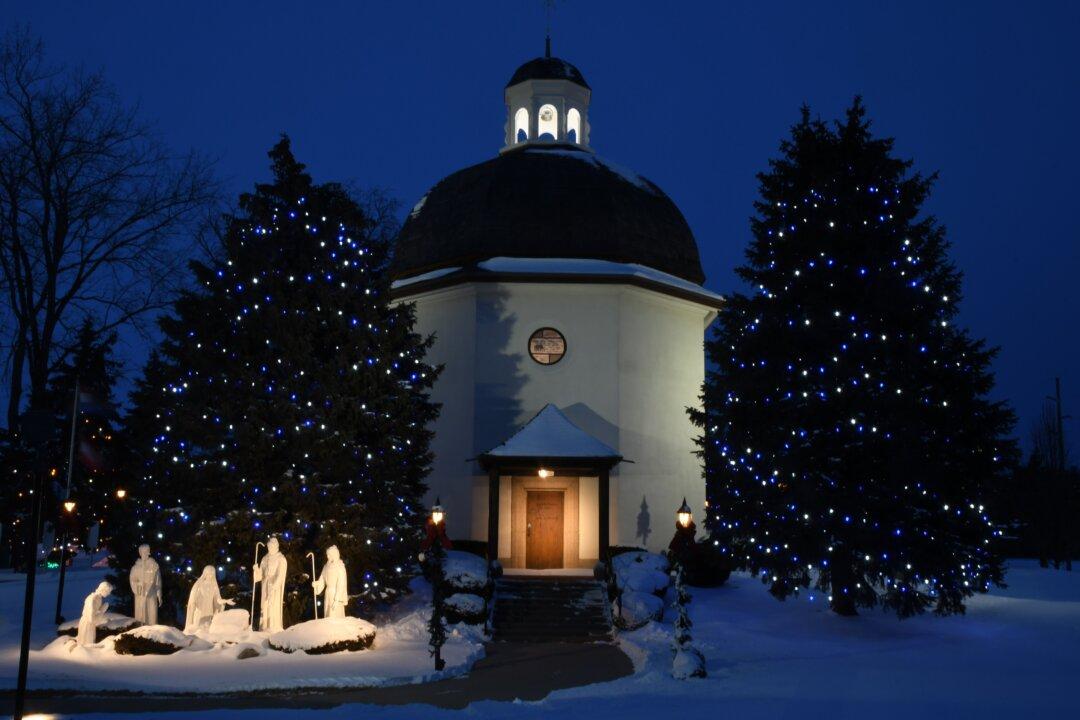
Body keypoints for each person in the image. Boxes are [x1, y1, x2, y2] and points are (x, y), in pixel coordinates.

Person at [184, 565, 235, 633]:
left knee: (206, 629)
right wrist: (194, 603)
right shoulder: (199, 585)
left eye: (212, 574)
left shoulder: (214, 586)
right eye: (209, 574)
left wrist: (225, 601)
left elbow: (217, 599)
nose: (210, 576)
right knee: (197, 629)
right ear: (205, 574)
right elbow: (193, 597)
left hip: (209, 610)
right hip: (199, 610)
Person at [252, 536, 287, 632]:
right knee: (264, 605)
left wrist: (274, 585)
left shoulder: (281, 559)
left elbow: (281, 574)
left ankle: (273, 626)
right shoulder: (265, 558)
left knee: (272, 605)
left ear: (276, 547)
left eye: (272, 547)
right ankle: (264, 626)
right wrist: (256, 570)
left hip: (274, 586)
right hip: (265, 584)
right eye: (269, 547)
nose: (270, 549)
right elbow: (260, 576)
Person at [312, 545, 349, 618]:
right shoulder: (326, 566)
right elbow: (322, 579)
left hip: (336, 594)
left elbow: (341, 584)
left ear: (334, 554)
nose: (328, 556)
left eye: (329, 555)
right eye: (327, 555)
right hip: (328, 593)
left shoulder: (340, 566)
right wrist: (317, 584)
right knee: (327, 614)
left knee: (335, 615)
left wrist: (337, 600)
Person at [129, 543, 162, 625]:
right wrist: (138, 585)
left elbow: (158, 582)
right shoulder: (136, 567)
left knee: (152, 615)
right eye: (142, 552)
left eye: (146, 551)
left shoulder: (154, 566)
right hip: (140, 595)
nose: (144, 553)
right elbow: (132, 580)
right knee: (141, 615)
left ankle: (152, 633)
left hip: (152, 594)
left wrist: (159, 595)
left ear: (149, 552)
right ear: (140, 553)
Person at [76, 581, 112, 646]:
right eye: (108, 591)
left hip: (90, 625)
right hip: (87, 625)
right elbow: (92, 619)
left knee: (90, 644)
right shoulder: (93, 599)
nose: (109, 593)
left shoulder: (99, 598)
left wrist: (101, 611)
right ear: (103, 590)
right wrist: (102, 610)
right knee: (86, 646)